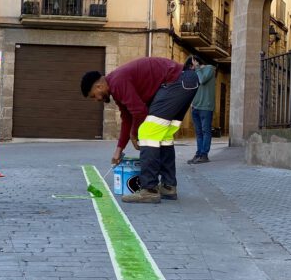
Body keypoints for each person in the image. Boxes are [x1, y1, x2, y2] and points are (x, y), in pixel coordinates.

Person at [81, 56, 199, 204]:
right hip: (186, 81)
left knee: (147, 133)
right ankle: (168, 186)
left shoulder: (117, 82)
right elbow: (127, 118)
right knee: (163, 136)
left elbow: (139, 111)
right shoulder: (116, 85)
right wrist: (119, 149)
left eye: (94, 96)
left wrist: (134, 133)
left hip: (177, 82)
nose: (96, 100)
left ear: (99, 86)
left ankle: (149, 190)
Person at [187, 55, 216, 164]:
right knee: (198, 132)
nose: (191, 68)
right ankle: (198, 153)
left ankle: (204, 155)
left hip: (206, 107)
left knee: (205, 131)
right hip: (195, 106)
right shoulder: (196, 72)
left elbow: (202, 80)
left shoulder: (209, 69)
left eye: (191, 65)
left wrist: (198, 67)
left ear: (196, 62)